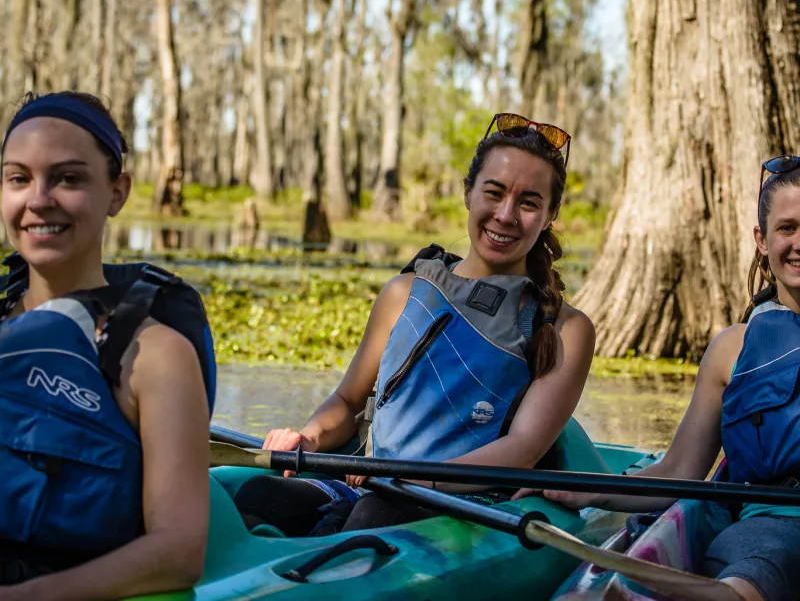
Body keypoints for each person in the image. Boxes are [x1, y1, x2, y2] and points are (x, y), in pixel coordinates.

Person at [235, 112, 596, 535]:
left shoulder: (565, 329)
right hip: (371, 485)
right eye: (494, 193)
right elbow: (348, 403)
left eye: (528, 203)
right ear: (468, 192)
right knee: (258, 494)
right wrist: (307, 438)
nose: (505, 214)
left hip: (461, 502)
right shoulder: (403, 292)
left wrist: (409, 480)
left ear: (551, 213)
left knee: (376, 515)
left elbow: (522, 450)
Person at [518, 155, 800, 601]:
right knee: (772, 556)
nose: (799, 242)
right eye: (787, 228)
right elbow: (678, 472)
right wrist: (587, 490)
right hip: (766, 531)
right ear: (761, 240)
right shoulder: (731, 350)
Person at [0, 92, 212, 601]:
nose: (38, 200)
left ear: (117, 193)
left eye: (68, 179)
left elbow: (178, 552)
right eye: (18, 178)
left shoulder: (155, 355)